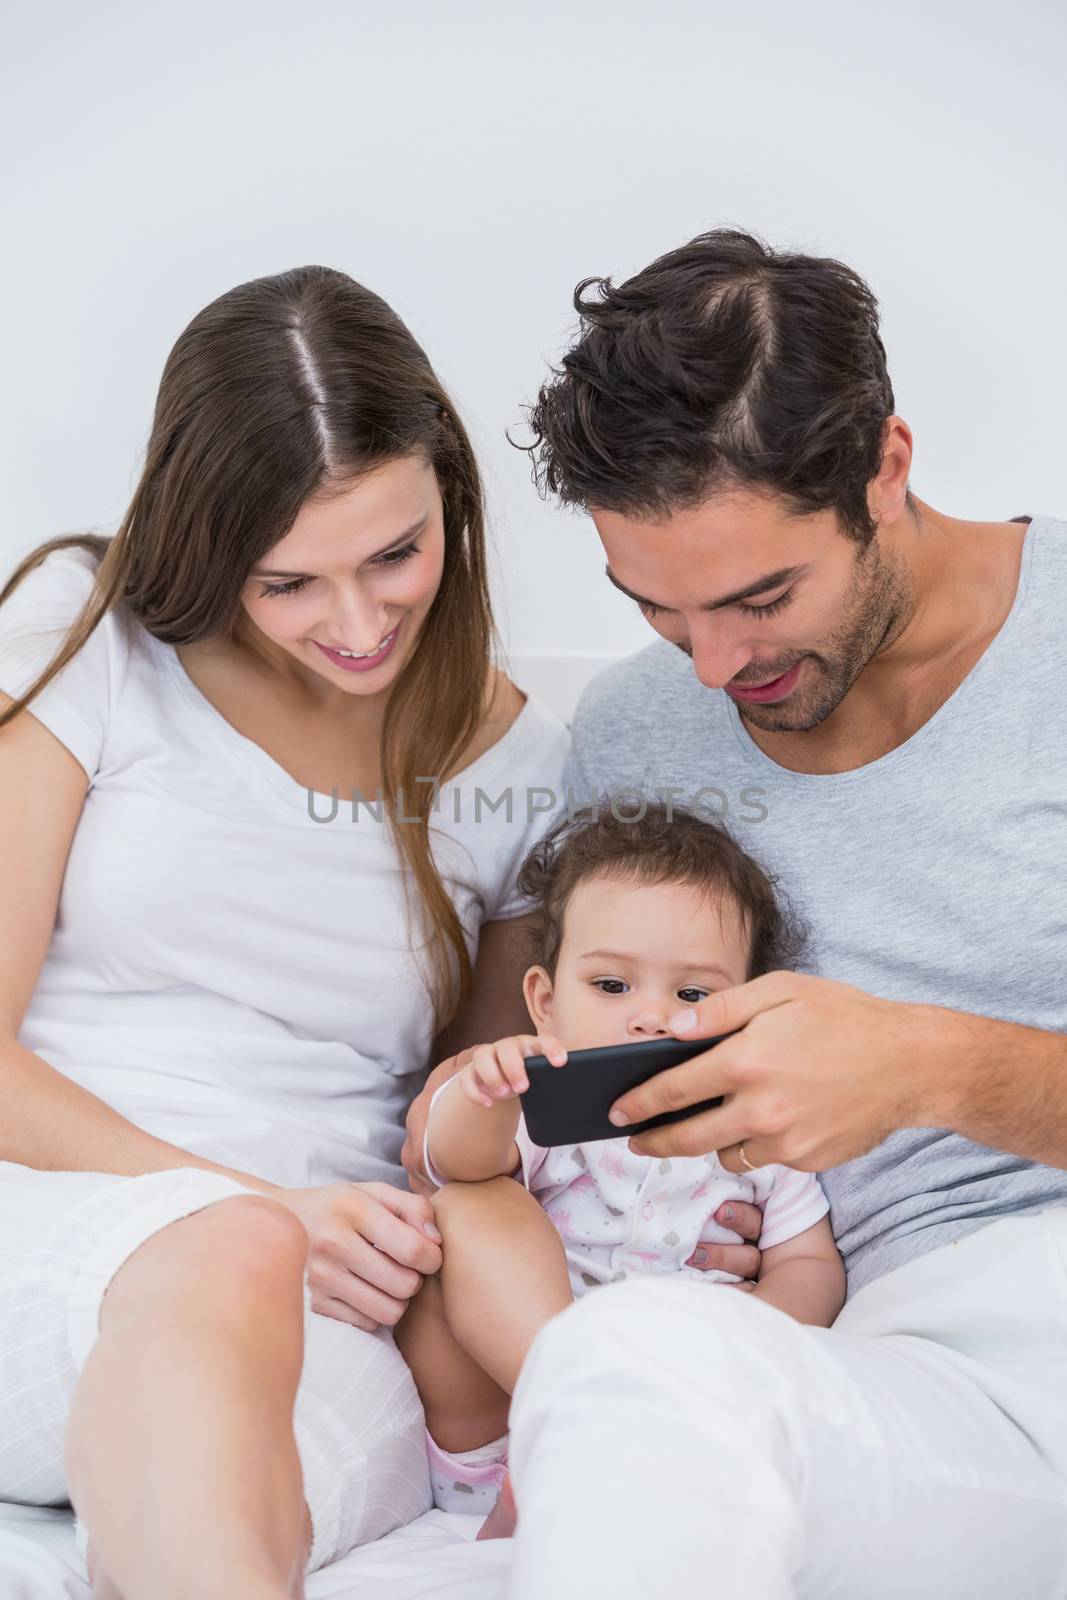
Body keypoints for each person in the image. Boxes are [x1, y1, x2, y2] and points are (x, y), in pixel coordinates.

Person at [403, 230, 1067, 1597]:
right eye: (653, 608)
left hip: (1031, 1300)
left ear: (885, 468)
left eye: (760, 598)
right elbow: (500, 1098)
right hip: (841, 1367)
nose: (711, 667)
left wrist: (927, 1068)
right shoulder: (631, 733)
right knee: (634, 1366)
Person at [0, 264, 587, 1600]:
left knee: (229, 1488)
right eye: (289, 584)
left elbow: (474, 1137)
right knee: (229, 1252)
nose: (360, 623)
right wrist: (247, 1209)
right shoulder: (84, 638)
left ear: (451, 495)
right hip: (44, 1227)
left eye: (395, 554)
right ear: (212, 550)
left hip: (337, 1302)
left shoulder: (516, 764)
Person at [394, 803, 845, 1542]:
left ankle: (607, 1437)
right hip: (501, 1415)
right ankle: (577, 1407)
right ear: (544, 1002)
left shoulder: (751, 1128)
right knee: (471, 1205)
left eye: (692, 995)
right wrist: (485, 1090)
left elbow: (807, 1261)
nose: (647, 1017)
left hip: (675, 1406)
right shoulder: (539, 1105)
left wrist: (749, 1338)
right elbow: (452, 1162)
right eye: (611, 986)